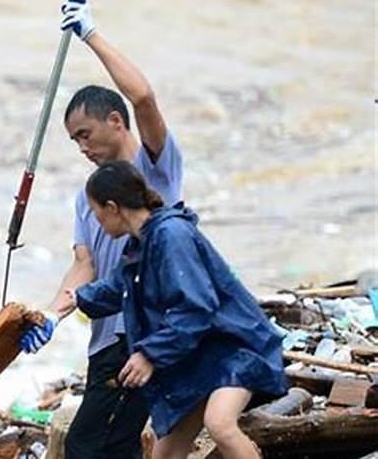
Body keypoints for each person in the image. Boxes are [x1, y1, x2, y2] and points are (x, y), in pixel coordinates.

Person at [19, 0, 183, 458]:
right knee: (113, 447)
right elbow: (84, 264)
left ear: (115, 121)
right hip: (105, 341)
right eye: (73, 141)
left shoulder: (156, 171)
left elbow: (144, 98)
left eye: (85, 135)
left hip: (144, 334)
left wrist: (89, 33)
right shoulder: (87, 197)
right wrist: (51, 314)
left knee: (90, 446)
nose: (81, 148)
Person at [69, 160, 288, 459]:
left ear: (112, 207)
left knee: (219, 423)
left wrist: (149, 354)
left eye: (96, 214)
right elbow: (115, 288)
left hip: (235, 348)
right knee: (165, 453)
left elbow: (196, 309)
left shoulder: (171, 235)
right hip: (199, 356)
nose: (97, 223)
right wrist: (72, 300)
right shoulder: (139, 245)